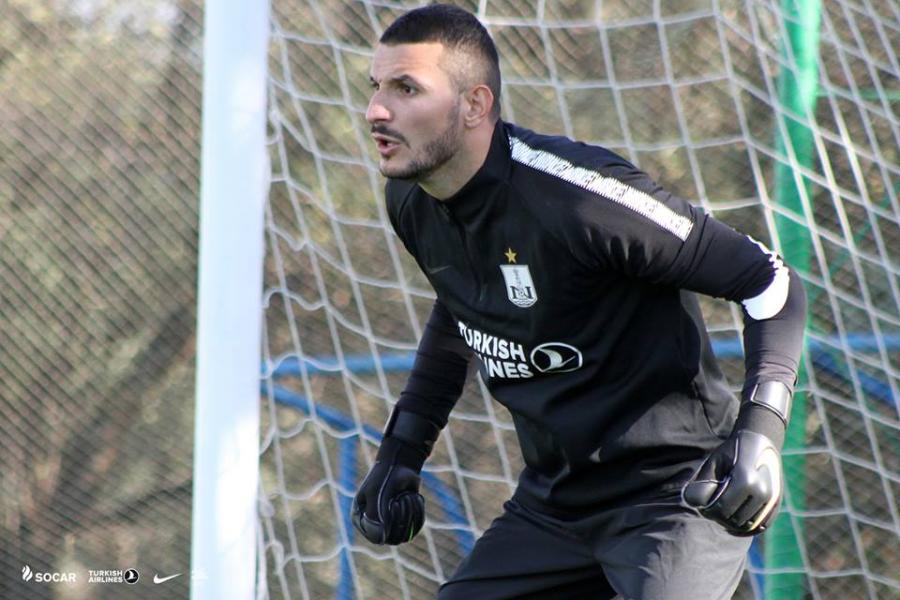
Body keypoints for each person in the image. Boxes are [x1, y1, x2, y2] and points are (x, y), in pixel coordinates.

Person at [350, 4, 806, 599]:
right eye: (376, 87)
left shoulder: (580, 197)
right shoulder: (411, 200)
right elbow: (461, 312)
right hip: (553, 504)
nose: (376, 110)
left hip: (673, 495)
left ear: (475, 104)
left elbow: (771, 282)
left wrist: (762, 432)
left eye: (406, 88)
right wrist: (400, 453)